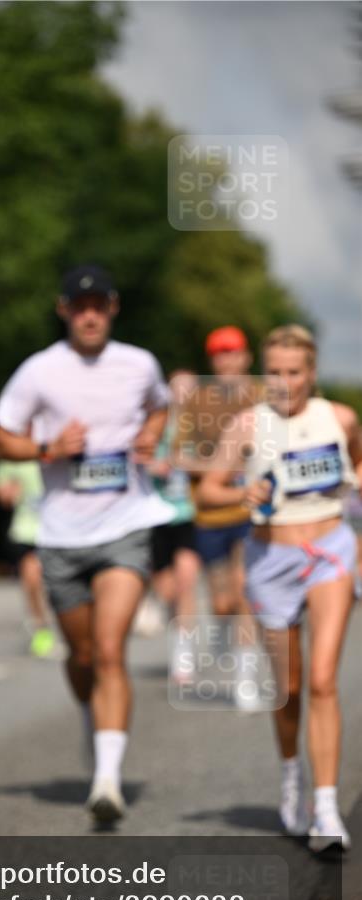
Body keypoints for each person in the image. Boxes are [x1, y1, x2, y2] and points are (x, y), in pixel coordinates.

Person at [0, 264, 173, 823]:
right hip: (62, 535)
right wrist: (47, 448)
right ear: (63, 309)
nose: (89, 313)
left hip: (126, 525)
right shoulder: (39, 371)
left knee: (112, 649)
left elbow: (160, 404)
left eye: (99, 304)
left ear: (113, 307)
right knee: (84, 655)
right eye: (79, 304)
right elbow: (1, 438)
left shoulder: (140, 364)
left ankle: (107, 781)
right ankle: (96, 718)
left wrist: (150, 432)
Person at [197, 325, 361, 852]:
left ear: (311, 372)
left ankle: (328, 809)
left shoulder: (338, 417)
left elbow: (357, 459)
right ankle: (292, 773)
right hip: (270, 560)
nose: (285, 382)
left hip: (331, 553)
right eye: (276, 372)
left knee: (322, 680)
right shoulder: (249, 424)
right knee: (288, 688)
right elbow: (208, 491)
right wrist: (243, 490)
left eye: (295, 372)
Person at [178, 327, 264, 710]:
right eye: (219, 354)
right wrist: (220, 467)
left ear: (246, 356)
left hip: (252, 512)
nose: (226, 361)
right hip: (210, 512)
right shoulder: (197, 400)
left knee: (246, 591)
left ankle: (245, 680)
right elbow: (177, 456)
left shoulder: (264, 397)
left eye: (233, 353)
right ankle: (225, 636)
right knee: (223, 601)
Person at [146, 370, 202, 680]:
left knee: (186, 582)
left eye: (189, 391)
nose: (183, 396)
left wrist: (186, 463)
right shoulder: (156, 423)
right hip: (156, 516)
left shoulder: (202, 426)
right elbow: (136, 459)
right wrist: (155, 465)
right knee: (167, 589)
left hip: (188, 515)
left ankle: (184, 651)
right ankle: (175, 632)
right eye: (178, 390)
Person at [0, 459, 55, 657]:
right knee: (32, 576)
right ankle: (41, 626)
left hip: (63, 530)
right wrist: (5, 493)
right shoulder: (15, 450)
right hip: (27, 529)